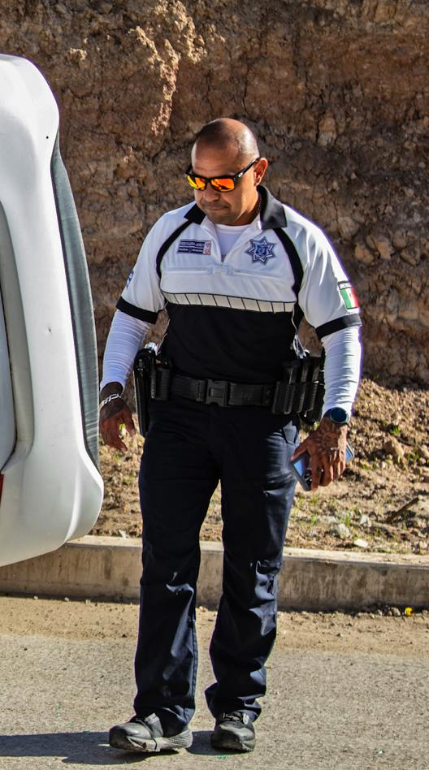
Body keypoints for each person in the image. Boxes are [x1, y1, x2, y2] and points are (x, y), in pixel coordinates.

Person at [100, 118, 363, 754]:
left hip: (263, 426)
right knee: (165, 565)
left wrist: (334, 422)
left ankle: (238, 706)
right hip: (179, 423)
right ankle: (161, 714)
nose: (207, 194)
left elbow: (342, 333)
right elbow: (133, 318)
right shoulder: (172, 231)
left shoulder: (297, 240)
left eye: (221, 182)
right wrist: (112, 393)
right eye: (197, 180)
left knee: (253, 568)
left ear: (257, 172)